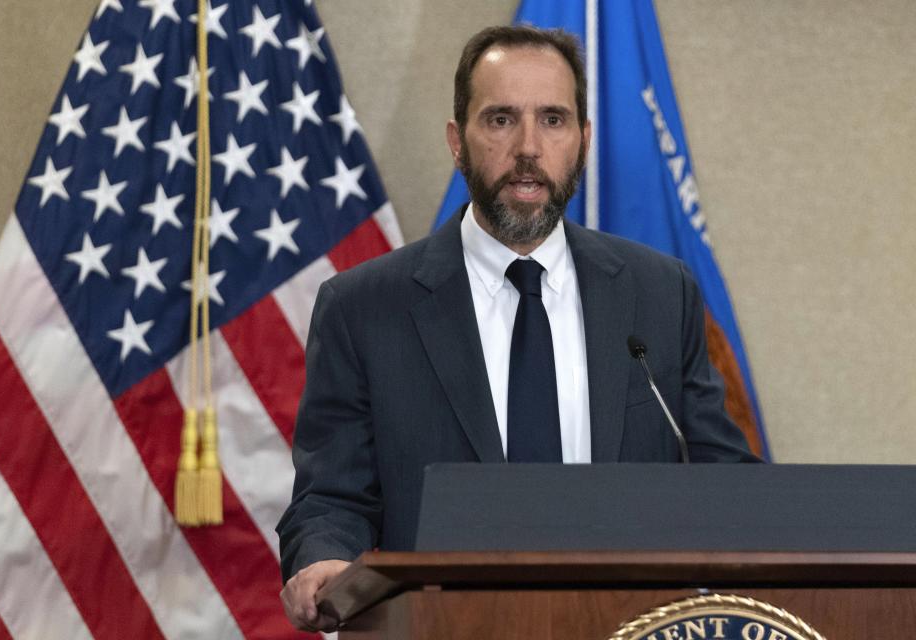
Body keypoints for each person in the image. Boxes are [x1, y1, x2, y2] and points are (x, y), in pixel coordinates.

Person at [276, 25, 759, 631]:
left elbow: (722, 479)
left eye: (553, 120)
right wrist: (325, 558)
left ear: (583, 141)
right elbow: (331, 497)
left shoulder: (659, 294)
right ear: (458, 141)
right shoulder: (363, 307)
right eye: (502, 119)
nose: (529, 147)